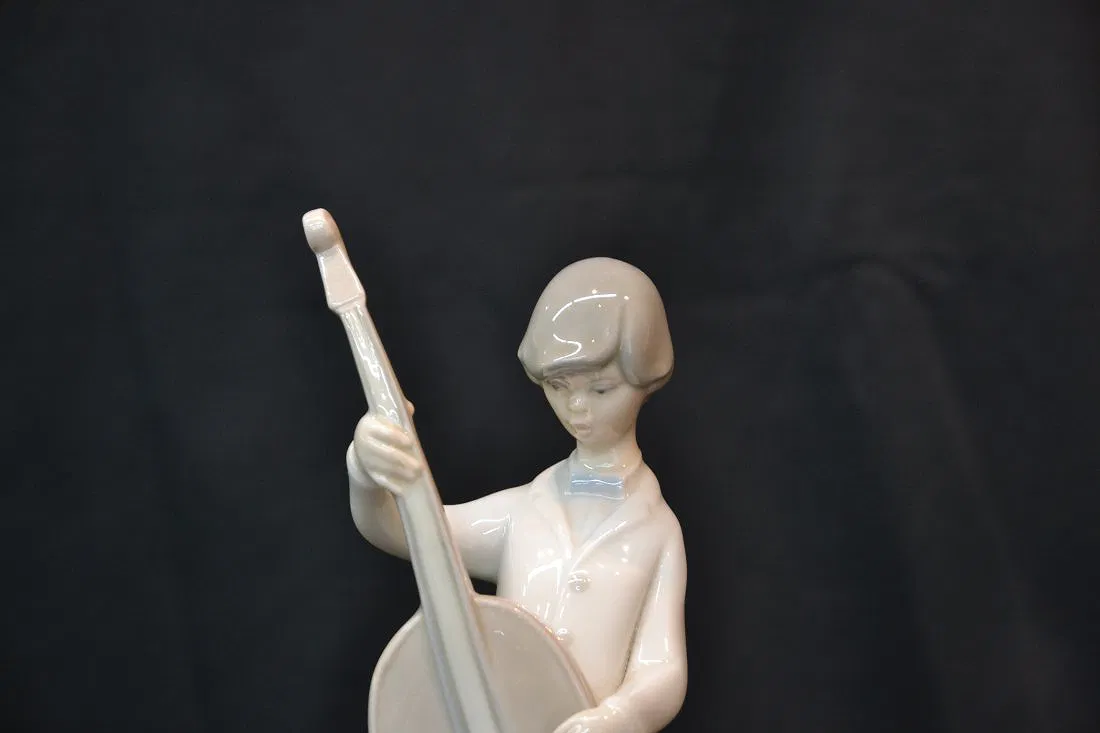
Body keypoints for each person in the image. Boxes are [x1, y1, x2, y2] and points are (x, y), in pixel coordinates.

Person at [347, 257, 687, 733]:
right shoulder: (523, 510)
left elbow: (662, 664)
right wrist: (366, 471)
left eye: (601, 389)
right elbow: (405, 531)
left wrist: (621, 717)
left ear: (645, 381)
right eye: (558, 387)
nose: (577, 407)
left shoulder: (657, 531)